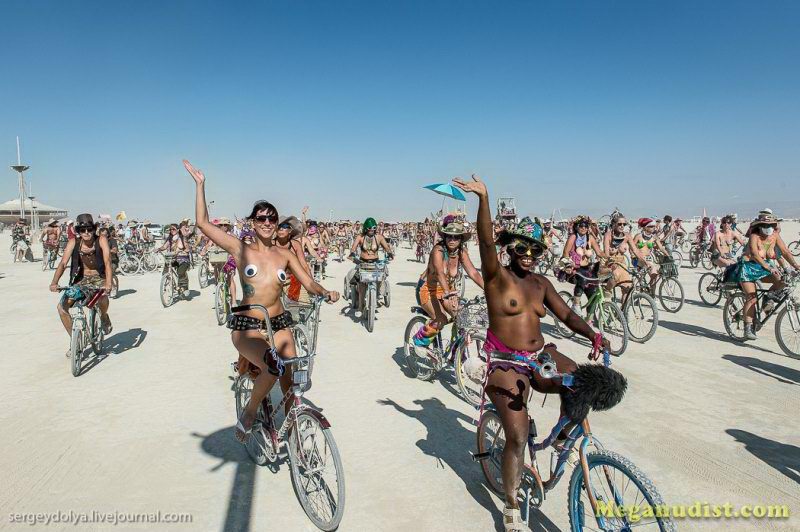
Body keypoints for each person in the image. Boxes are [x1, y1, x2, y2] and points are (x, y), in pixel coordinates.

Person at [453, 175, 622, 532]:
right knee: (516, 436)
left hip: (538, 357)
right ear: (510, 249)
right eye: (522, 248)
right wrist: (484, 198)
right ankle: (511, 504)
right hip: (505, 364)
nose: (529, 256)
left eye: (536, 250)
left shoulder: (541, 284)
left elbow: (568, 315)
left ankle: (560, 438)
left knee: (582, 380)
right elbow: (485, 240)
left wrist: (594, 334)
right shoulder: (497, 277)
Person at [183, 160, 339, 442]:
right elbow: (203, 223)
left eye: (272, 219)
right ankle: (250, 411)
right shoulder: (240, 249)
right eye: (261, 219)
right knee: (272, 366)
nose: (267, 223)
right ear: (253, 223)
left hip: (279, 323)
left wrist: (325, 292)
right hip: (249, 326)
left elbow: (308, 282)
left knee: (290, 377)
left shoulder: (285, 254)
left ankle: (293, 433)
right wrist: (200, 185)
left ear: (277, 223)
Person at [412, 215, 484, 347]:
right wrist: (448, 293)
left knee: (462, 316)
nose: (452, 240)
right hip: (429, 290)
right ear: (444, 237)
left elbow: (473, 273)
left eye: (456, 237)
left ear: (461, 239)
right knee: (441, 320)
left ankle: (456, 351)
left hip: (448, 291)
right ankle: (419, 341)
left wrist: (489, 290)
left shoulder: (461, 252)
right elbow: (440, 273)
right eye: (449, 236)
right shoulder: (438, 250)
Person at [49, 214, 114, 343]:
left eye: (89, 229)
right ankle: (75, 341)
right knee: (61, 308)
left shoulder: (101, 240)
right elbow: (63, 263)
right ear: (78, 231)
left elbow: (107, 261)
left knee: (102, 297)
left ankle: (104, 316)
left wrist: (108, 282)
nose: (86, 232)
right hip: (81, 279)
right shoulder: (74, 242)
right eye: (82, 230)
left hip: (99, 277)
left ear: (93, 229)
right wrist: (54, 282)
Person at [736, 212, 799, 340]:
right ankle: (747, 327)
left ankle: (768, 298)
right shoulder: (754, 236)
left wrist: (796, 266)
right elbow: (754, 254)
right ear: (759, 226)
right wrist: (769, 267)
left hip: (763, 268)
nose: (768, 227)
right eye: (765, 225)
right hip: (748, 269)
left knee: (782, 280)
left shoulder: (774, 236)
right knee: (752, 298)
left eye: (770, 225)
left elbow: (785, 251)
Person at [347, 217, 393, 318]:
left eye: (374, 229)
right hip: (363, 263)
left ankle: (378, 293)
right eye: (370, 229)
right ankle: (360, 307)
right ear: (366, 228)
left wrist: (390, 253)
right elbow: (353, 248)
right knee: (361, 283)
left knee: (381, 277)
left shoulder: (379, 237)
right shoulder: (360, 237)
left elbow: (386, 247)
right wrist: (352, 254)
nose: (372, 230)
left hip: (375, 263)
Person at [561, 215, 605, 311]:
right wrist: (568, 265)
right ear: (577, 227)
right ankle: (576, 305)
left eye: (586, 226)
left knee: (593, 291)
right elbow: (565, 253)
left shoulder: (590, 238)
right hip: (575, 268)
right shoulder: (573, 237)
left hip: (588, 268)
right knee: (582, 280)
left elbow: (599, 252)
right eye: (581, 225)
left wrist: (609, 258)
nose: (584, 228)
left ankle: (590, 316)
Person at [273, 215, 314, 302]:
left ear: (290, 230)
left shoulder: (295, 245)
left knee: (300, 305)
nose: (281, 229)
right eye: (279, 227)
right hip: (273, 283)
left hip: (292, 282)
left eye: (284, 226)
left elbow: (304, 266)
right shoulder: (270, 244)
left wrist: (312, 285)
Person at [631, 218, 668, 292]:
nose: (653, 228)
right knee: (640, 279)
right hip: (638, 258)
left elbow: (661, 248)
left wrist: (668, 255)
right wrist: (633, 256)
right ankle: (641, 291)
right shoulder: (638, 236)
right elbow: (632, 247)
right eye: (651, 226)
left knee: (654, 275)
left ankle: (652, 294)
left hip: (648, 258)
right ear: (645, 227)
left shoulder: (654, 237)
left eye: (654, 226)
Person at [158, 224, 191, 296]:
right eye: (170, 229)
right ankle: (169, 281)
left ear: (178, 230)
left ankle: (185, 287)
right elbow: (164, 247)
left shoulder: (182, 238)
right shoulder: (170, 239)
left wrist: (182, 251)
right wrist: (158, 249)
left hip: (183, 258)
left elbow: (188, 249)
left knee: (180, 272)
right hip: (173, 258)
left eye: (173, 229)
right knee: (166, 270)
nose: (171, 230)